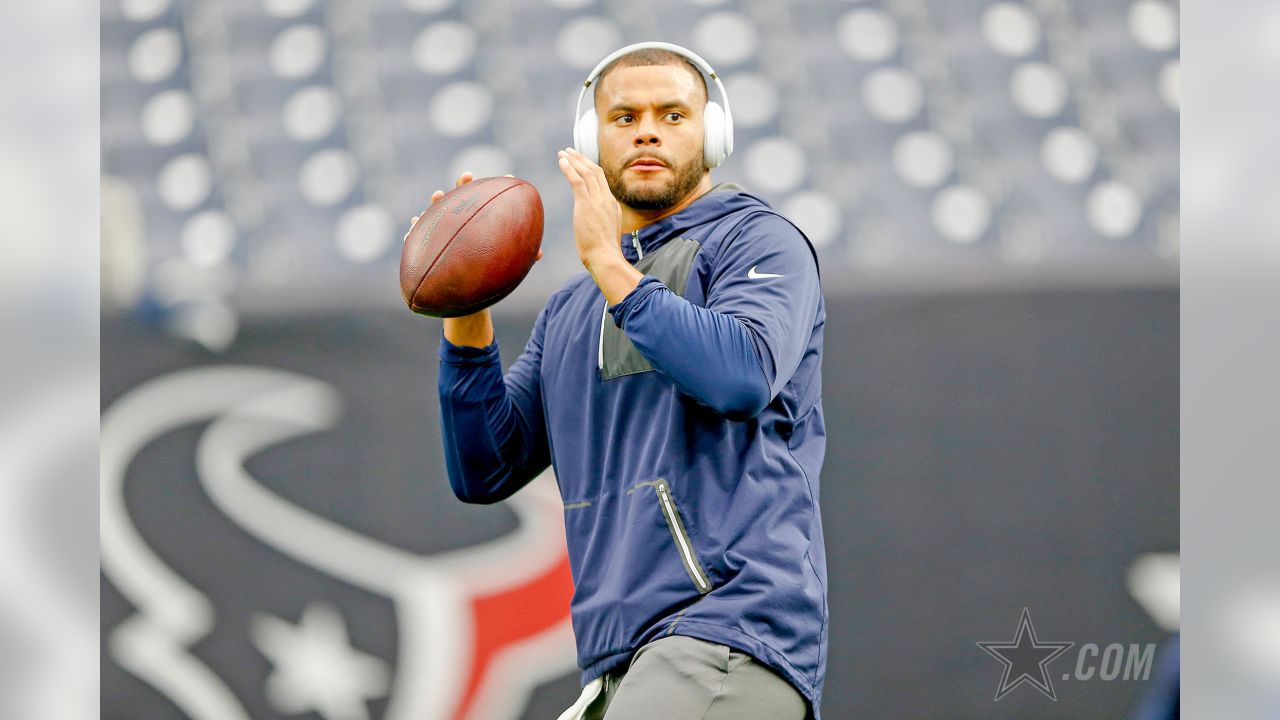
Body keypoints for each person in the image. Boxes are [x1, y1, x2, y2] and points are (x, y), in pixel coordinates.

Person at [426, 42, 827, 720]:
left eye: (673, 115)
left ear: (712, 135)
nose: (647, 129)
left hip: (727, 632)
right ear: (591, 139)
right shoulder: (572, 309)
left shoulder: (758, 242)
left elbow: (741, 375)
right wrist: (465, 311)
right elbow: (483, 468)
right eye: (624, 116)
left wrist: (612, 269)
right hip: (623, 662)